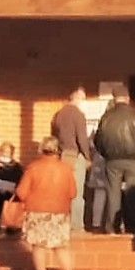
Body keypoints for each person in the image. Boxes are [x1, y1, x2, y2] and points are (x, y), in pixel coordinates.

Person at [15, 136, 79, 270]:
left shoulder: (33, 168)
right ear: (57, 150)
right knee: (61, 246)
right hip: (59, 212)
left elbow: (21, 193)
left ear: (41, 150)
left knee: (39, 247)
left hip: (37, 212)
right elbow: (73, 192)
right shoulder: (66, 168)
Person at [94, 91, 135, 234]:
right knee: (132, 193)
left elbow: (98, 140)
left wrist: (106, 154)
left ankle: (112, 226)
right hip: (134, 160)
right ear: (127, 99)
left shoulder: (107, 117)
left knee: (113, 193)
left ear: (115, 98)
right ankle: (132, 227)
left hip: (112, 160)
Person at [50, 87, 92, 232]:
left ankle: (61, 222)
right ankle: (76, 225)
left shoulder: (58, 115)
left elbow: (53, 136)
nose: (83, 101)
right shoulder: (78, 114)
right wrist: (87, 156)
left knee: (62, 191)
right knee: (76, 192)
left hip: (61, 155)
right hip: (75, 155)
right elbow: (82, 138)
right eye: (83, 98)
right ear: (77, 98)